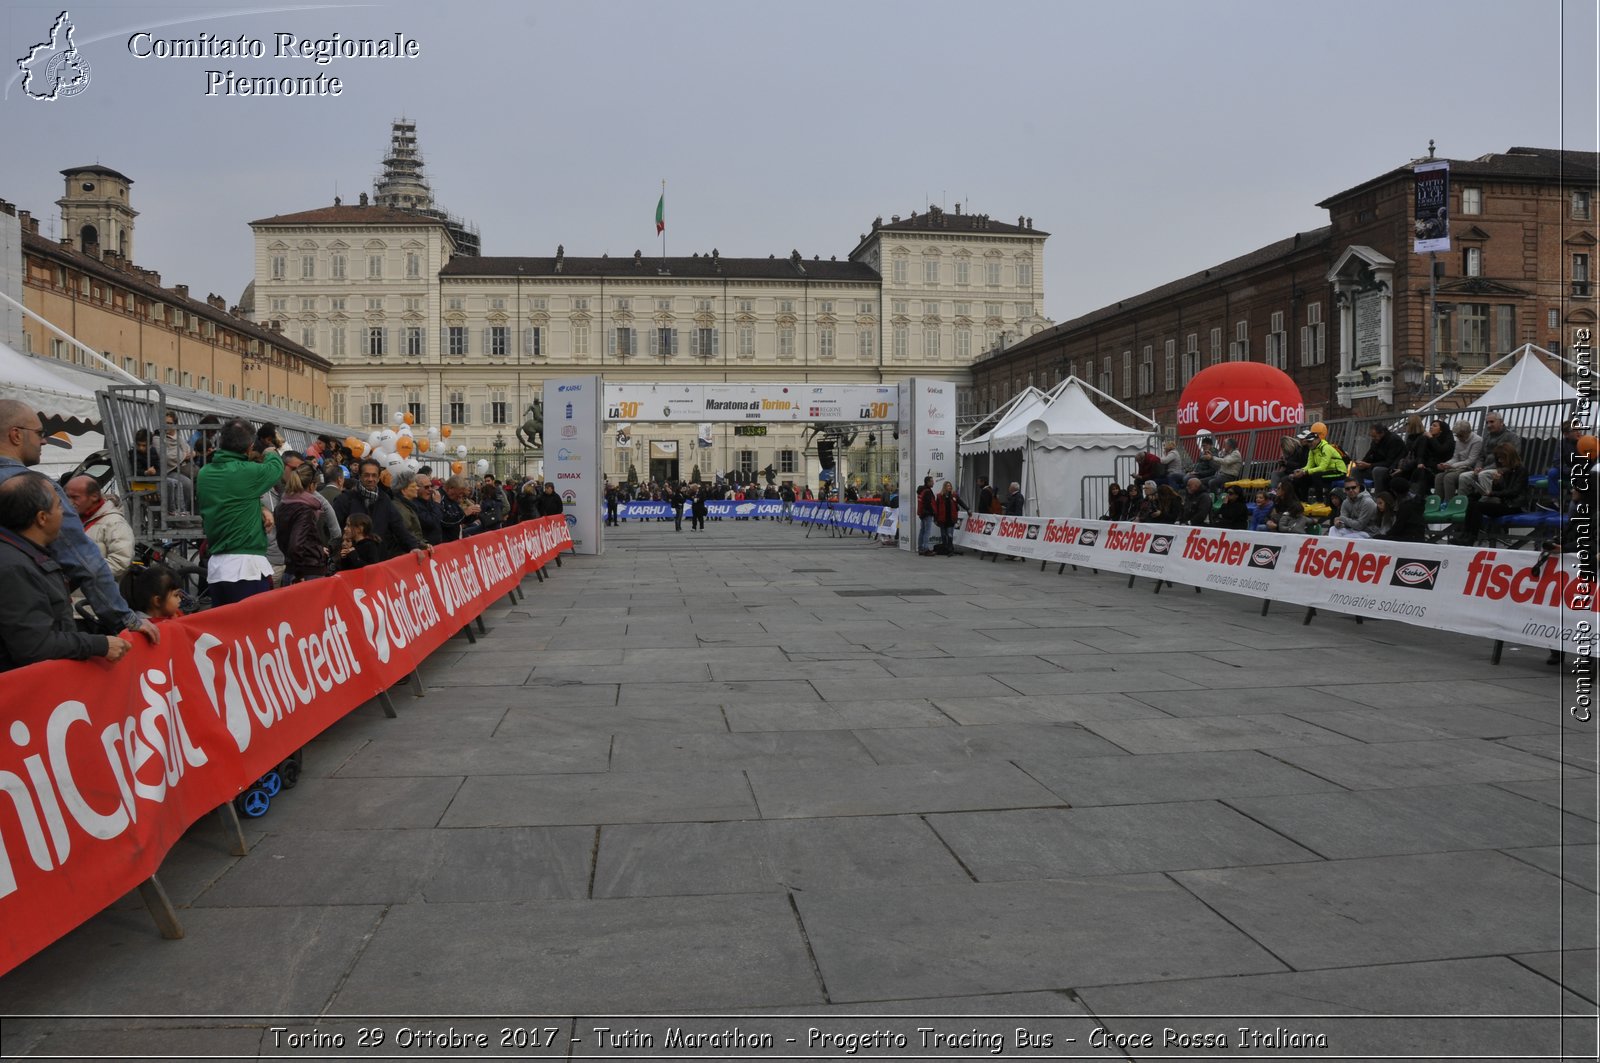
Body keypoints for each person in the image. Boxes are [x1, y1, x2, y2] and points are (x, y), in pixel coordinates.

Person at [0, 400, 158, 644]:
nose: (44, 441)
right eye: (40, 433)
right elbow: (84, 560)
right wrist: (125, 620)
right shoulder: (36, 487)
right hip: (32, 631)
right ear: (16, 435)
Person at [0, 472, 132, 671]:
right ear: (42, 518)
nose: (67, 512)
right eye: (60, 506)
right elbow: (34, 647)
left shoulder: (25, 555)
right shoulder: (15, 567)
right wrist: (100, 645)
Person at [197, 418, 286, 608]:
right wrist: (270, 451)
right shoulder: (247, 472)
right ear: (250, 446)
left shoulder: (205, 473)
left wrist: (260, 508)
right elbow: (276, 469)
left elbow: (232, 499)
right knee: (254, 630)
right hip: (246, 568)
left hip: (218, 568)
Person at [332, 458, 430, 561]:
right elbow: (335, 531)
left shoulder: (384, 499)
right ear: (360, 476)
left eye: (374, 475)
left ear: (379, 478)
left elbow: (398, 527)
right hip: (352, 562)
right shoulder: (345, 499)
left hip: (378, 560)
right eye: (366, 475)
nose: (370, 479)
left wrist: (414, 546)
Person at [1455, 442, 1528, 545]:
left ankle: (1471, 537)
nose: (1500, 461)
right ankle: (1465, 534)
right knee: (1472, 503)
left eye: (1502, 458)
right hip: (1506, 503)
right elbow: (1501, 489)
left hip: (1514, 505)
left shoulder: (1521, 470)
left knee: (1479, 506)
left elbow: (1515, 492)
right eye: (1498, 458)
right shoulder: (1505, 471)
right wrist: (1495, 482)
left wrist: (1492, 493)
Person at [65, 474, 134, 580]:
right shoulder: (70, 520)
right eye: (67, 497)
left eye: (75, 497)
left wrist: (80, 571)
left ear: (95, 496)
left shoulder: (114, 523)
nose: (69, 502)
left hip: (98, 594)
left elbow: (120, 562)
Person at [274, 466, 330, 584]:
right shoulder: (305, 510)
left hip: (291, 567)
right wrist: (299, 574)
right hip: (307, 572)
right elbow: (295, 545)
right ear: (312, 485)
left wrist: (317, 549)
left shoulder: (281, 506)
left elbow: (287, 540)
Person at [1464, 412, 1523, 498]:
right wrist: (1478, 467)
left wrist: (1483, 469)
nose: (1488, 425)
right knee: (1464, 477)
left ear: (1501, 422)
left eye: (1492, 422)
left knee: (1483, 474)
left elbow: (1512, 457)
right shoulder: (1487, 437)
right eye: (1487, 422)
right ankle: (1462, 504)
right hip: (1485, 469)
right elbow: (1481, 456)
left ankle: (1488, 501)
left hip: (1504, 469)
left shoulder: (1512, 437)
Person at [1288, 424, 1347, 502]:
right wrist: (1301, 470)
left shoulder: (1326, 448)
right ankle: (1303, 501)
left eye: (1311, 441)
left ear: (1317, 439)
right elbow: (1309, 465)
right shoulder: (1312, 450)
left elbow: (1322, 467)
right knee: (1303, 477)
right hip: (1327, 471)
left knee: (1315, 475)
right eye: (1308, 441)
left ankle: (1320, 501)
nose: (1309, 443)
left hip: (1339, 471)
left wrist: (1305, 472)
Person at [1349, 423, 1405, 496]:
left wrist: (1369, 465)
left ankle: (1380, 496)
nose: (1373, 438)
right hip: (1375, 466)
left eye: (1374, 436)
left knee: (1377, 470)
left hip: (1391, 469)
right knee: (1355, 470)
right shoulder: (1375, 441)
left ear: (1382, 433)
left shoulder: (1394, 440)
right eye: (1371, 436)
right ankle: (1360, 495)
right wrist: (1361, 463)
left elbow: (1389, 462)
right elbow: (1369, 454)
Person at [1434, 419, 1483, 500]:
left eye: (1460, 435)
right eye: (1457, 435)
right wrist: (1446, 464)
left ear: (1468, 432)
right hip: (1458, 467)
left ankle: (1448, 502)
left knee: (1449, 477)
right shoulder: (1459, 440)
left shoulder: (1477, 440)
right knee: (1439, 476)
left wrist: (1452, 466)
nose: (1458, 438)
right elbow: (1455, 457)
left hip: (1470, 468)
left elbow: (1471, 461)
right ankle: (1438, 501)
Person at [439, 475, 481, 540]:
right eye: (459, 493)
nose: (460, 496)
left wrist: (472, 514)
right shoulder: (439, 497)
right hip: (444, 541)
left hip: (455, 538)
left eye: (462, 494)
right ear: (451, 488)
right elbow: (444, 521)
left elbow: (460, 520)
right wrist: (464, 513)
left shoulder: (453, 499)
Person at [931, 480, 965, 555]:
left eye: (950, 486)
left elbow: (961, 502)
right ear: (944, 487)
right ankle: (945, 548)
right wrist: (935, 518)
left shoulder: (954, 495)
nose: (949, 487)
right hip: (942, 519)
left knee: (950, 534)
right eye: (948, 486)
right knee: (943, 535)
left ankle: (950, 549)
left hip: (951, 519)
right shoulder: (939, 496)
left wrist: (968, 509)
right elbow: (936, 508)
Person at [916, 475, 936, 555]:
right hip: (927, 514)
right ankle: (925, 548)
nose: (933, 482)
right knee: (927, 531)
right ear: (927, 482)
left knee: (922, 531)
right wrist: (933, 512)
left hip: (922, 513)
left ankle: (921, 548)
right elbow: (929, 504)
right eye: (931, 481)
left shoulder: (922, 490)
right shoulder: (927, 491)